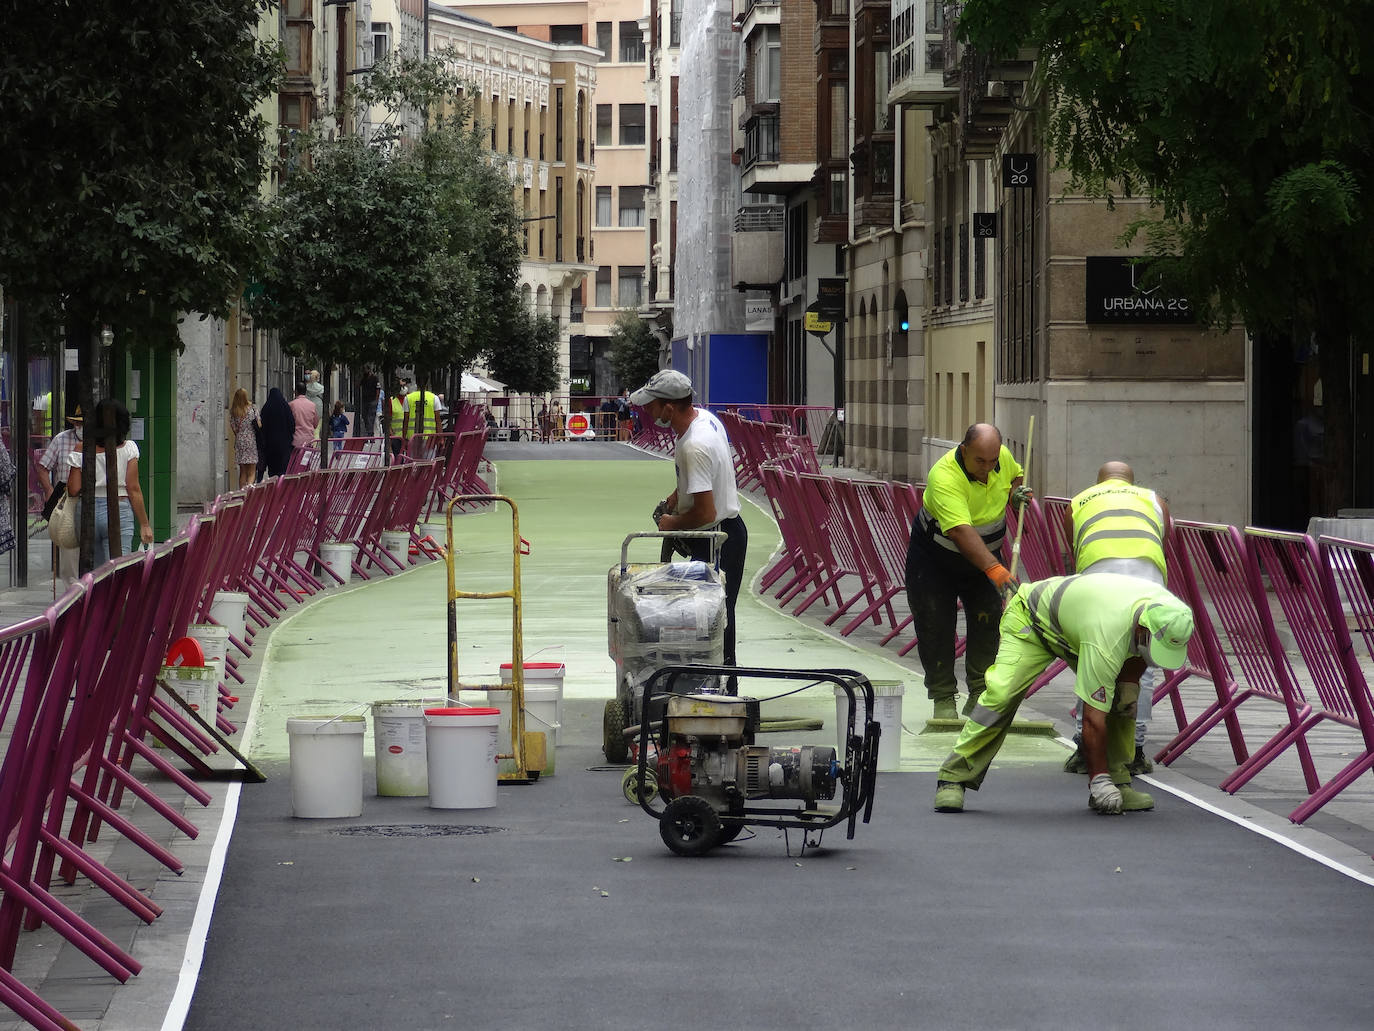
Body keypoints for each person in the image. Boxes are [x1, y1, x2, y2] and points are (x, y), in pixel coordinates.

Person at [932, 573, 1195, 815]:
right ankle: (953, 778)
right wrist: (1098, 781)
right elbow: (1093, 718)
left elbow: (1139, 658)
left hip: (1079, 624)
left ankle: (1119, 780)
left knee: (1124, 698)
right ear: (1141, 629)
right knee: (1001, 695)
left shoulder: (1172, 615)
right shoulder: (1108, 635)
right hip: (1032, 620)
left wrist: (1129, 686)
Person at [905, 423, 1031, 720]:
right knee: (935, 624)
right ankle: (943, 698)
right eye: (980, 461)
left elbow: (1015, 475)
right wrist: (996, 570)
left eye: (992, 461)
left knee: (988, 623)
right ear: (964, 451)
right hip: (936, 558)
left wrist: (1014, 496)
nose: (988, 468)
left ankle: (979, 695)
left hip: (986, 557)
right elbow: (961, 532)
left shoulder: (1000, 458)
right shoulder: (944, 475)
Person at [631, 369, 748, 666]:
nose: (647, 410)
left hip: (716, 536)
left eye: (651, 405)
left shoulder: (694, 446)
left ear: (669, 408)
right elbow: (705, 480)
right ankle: (717, 678)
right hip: (723, 532)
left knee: (716, 614)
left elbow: (705, 511)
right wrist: (677, 495)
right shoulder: (705, 420)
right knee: (716, 611)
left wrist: (672, 523)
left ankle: (723, 680)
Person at [1061, 461, 1172, 776]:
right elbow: (1162, 544)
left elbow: (1075, 548)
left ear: (1099, 481)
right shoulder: (1154, 500)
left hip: (1099, 586)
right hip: (1145, 588)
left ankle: (1086, 749)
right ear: (1132, 482)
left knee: (1094, 660)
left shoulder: (1078, 502)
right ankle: (1134, 751)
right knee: (1141, 665)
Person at [66, 398, 154, 567]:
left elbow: (74, 488)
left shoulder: (82, 448)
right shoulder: (129, 448)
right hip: (119, 508)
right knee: (119, 569)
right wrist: (145, 524)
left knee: (94, 573)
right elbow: (133, 488)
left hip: (87, 510)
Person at [36, 406, 84, 589]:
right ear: (73, 423)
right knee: (68, 540)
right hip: (66, 494)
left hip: (92, 494)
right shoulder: (61, 439)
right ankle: (70, 588)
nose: (81, 426)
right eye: (78, 423)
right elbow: (43, 467)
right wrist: (49, 490)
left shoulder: (100, 441)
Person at [257, 387, 295, 479]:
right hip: (284, 445)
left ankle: (274, 485)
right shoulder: (286, 407)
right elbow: (292, 424)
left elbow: (262, 426)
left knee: (273, 469)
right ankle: (282, 486)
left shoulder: (266, 408)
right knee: (283, 468)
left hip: (271, 446)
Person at [228, 388, 260, 488]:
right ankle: (249, 493)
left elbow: (234, 429)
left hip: (240, 441)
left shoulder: (233, 411)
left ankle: (242, 494)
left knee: (243, 471)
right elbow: (259, 425)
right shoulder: (253, 409)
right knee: (251, 471)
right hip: (251, 440)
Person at [288, 380, 319, 450]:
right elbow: (316, 424)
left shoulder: (291, 405)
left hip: (295, 441)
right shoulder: (312, 405)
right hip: (309, 440)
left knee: (296, 460)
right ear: (306, 391)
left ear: (295, 391)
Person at [385, 378, 407, 459]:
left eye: (404, 385)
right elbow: (387, 420)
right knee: (398, 460)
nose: (403, 388)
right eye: (401, 386)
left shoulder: (409, 399)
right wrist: (391, 434)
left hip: (409, 436)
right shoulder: (391, 401)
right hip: (396, 437)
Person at [358, 367, 380, 438]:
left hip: (372, 400)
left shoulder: (375, 378)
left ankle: (370, 434)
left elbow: (378, 389)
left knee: (370, 417)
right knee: (365, 416)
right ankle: (368, 432)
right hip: (365, 400)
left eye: (365, 370)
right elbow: (358, 385)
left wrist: (376, 399)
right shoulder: (364, 378)